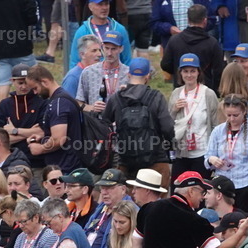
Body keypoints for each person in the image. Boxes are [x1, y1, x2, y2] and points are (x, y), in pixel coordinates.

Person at [103, 58, 174, 192]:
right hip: (156, 161)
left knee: (127, 206)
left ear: (128, 75)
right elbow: (168, 128)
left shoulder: (116, 99)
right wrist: (169, 146)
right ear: (147, 76)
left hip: (126, 163)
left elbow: (104, 125)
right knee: (156, 204)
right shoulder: (157, 97)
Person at [204, 94, 248, 212]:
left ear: (244, 111)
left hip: (245, 183)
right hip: (222, 186)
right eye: (228, 115)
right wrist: (212, 159)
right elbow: (207, 156)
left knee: (244, 219)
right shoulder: (218, 131)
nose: (232, 119)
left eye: (236, 115)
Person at [25, 65, 83, 174]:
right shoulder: (59, 100)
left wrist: (40, 148)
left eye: (35, 88)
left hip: (65, 169)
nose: (35, 93)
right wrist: (43, 137)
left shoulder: (59, 103)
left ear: (45, 82)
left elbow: (59, 139)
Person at [160, 4, 225, 89]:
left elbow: (165, 65)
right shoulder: (212, 43)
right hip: (205, 90)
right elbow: (218, 71)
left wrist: (180, 73)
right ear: (205, 20)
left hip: (181, 89)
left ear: (188, 20)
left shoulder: (174, 40)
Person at [0, 67, 46, 154]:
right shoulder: (5, 105)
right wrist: (30, 132)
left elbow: (43, 132)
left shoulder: (42, 103)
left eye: (26, 83)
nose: (24, 86)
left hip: (36, 158)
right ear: (12, 81)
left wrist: (14, 131)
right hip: (10, 158)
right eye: (20, 83)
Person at [69, 0, 133, 68]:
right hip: (91, 76)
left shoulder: (119, 29)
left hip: (115, 76)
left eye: (106, 4)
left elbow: (127, 60)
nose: (104, 8)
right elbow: (74, 61)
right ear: (90, 7)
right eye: (100, 4)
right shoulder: (82, 31)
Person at [76, 32, 130, 112]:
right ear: (102, 47)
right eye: (106, 48)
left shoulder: (129, 73)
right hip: (96, 122)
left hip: (121, 122)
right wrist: (92, 108)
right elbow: (79, 103)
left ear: (121, 49)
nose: (109, 53)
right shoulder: (89, 72)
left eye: (113, 49)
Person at [60, 35, 103, 99]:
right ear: (82, 55)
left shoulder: (100, 73)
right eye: (94, 50)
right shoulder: (73, 77)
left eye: (100, 50)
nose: (99, 54)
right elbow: (65, 104)